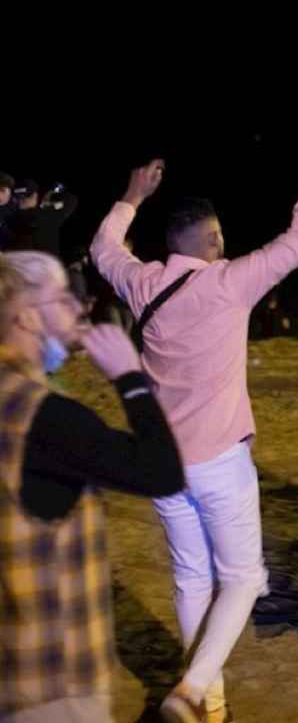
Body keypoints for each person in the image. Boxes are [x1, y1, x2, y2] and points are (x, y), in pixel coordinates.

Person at [91, 136, 298, 723]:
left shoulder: (143, 283)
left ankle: (212, 701)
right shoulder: (228, 282)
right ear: (212, 240)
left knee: (190, 576)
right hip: (218, 461)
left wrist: (131, 196)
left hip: (160, 461)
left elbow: (104, 248)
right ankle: (192, 688)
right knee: (243, 577)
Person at [1, 252, 185, 723]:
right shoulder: (47, 418)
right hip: (49, 681)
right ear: (24, 315)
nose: (79, 307)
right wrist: (129, 377)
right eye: (62, 298)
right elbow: (161, 471)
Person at [2, 180, 78, 258]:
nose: (21, 200)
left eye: (26, 196)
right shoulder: (46, 214)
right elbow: (70, 200)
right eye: (19, 197)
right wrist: (51, 197)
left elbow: (71, 201)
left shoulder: (9, 217)